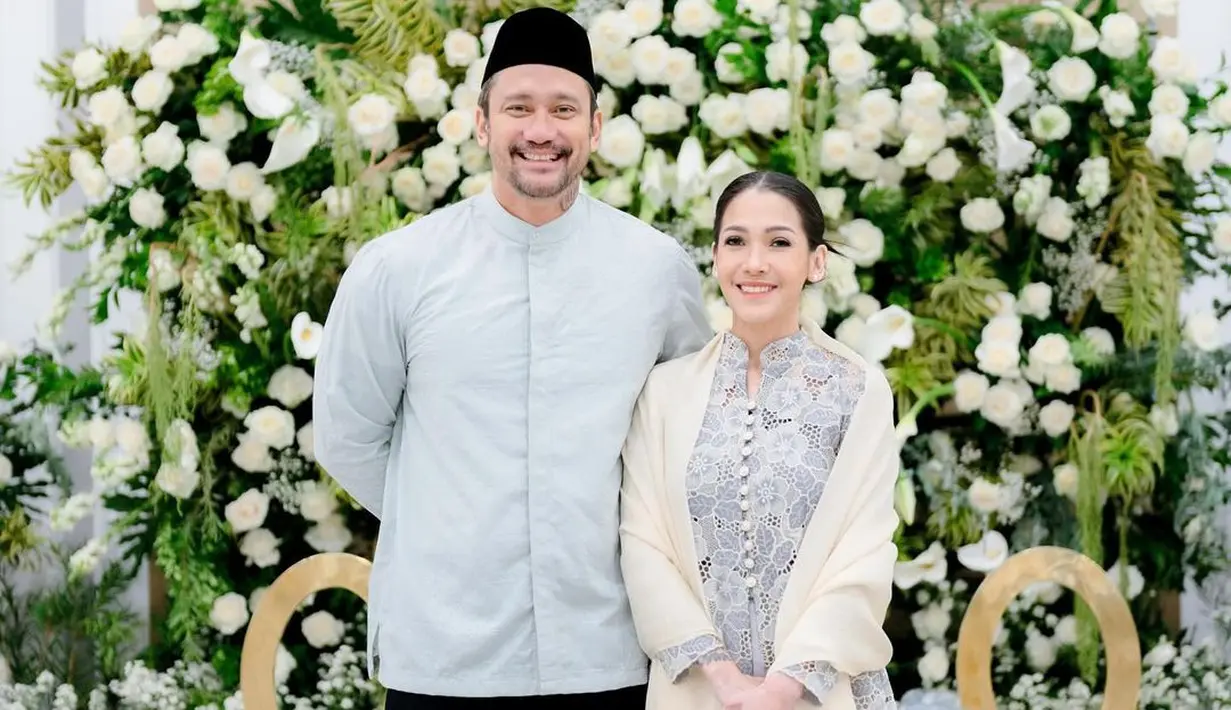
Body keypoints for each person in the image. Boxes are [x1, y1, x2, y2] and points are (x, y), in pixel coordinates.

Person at [311, 7, 712, 709]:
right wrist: (447, 522)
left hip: (611, 650)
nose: (540, 130)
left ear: (594, 125)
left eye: (563, 108)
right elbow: (348, 437)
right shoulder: (398, 268)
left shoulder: (654, 270)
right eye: (517, 107)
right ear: (481, 121)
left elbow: (686, 434)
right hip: (443, 654)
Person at [617, 171, 900, 710]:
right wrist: (725, 680)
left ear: (816, 262)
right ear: (716, 256)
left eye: (779, 242)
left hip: (821, 693)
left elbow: (863, 552)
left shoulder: (856, 389)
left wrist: (780, 689)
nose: (754, 263)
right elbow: (644, 543)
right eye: (736, 241)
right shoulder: (665, 392)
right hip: (699, 693)